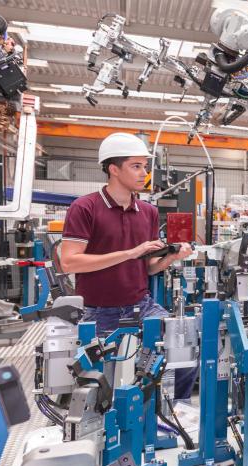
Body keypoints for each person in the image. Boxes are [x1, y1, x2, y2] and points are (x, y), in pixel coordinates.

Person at [59, 132, 197, 399]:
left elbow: (148, 269)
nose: (144, 173)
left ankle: (170, 413)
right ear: (113, 169)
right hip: (98, 313)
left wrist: (171, 257)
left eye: (145, 166)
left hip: (141, 305)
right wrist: (132, 252)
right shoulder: (84, 208)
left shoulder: (148, 212)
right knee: (102, 387)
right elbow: (69, 261)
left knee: (185, 346)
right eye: (136, 166)